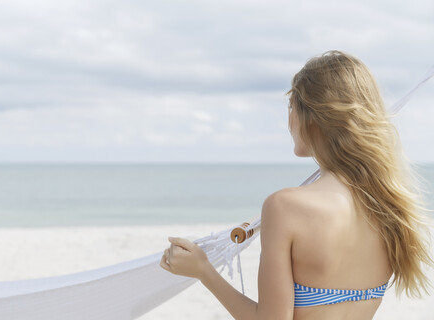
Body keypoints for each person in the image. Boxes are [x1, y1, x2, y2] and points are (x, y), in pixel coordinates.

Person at [159, 50, 433, 320]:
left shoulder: (286, 206)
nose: (289, 120)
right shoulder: (391, 208)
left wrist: (203, 271)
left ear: (311, 116)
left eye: (291, 107)